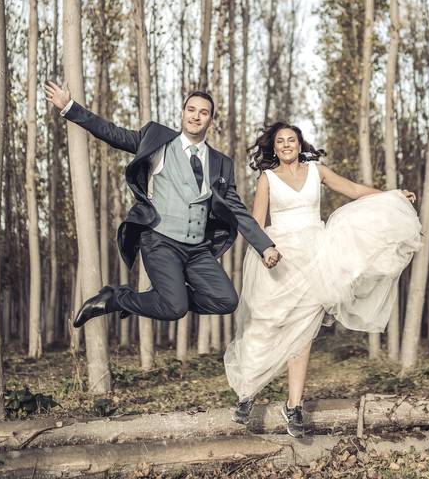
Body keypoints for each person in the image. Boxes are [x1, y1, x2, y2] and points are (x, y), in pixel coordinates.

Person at [224, 122, 422, 438]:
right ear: (274, 148)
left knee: (303, 332)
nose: (286, 144)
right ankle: (247, 394)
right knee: (265, 326)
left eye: (292, 139)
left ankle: (295, 406)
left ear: (300, 144)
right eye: (280, 141)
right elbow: (255, 224)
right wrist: (266, 251)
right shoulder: (268, 179)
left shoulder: (317, 171)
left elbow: (355, 191)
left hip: (316, 258)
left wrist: (392, 195)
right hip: (279, 259)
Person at [44, 81, 281, 326]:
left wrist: (265, 246)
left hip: (197, 249)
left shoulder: (221, 163)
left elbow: (236, 210)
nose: (196, 116)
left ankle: (164, 295)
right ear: (182, 113)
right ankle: (116, 299)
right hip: (160, 241)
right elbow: (112, 133)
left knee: (226, 300)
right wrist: (69, 108)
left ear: (211, 120)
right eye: (191, 110)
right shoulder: (158, 141)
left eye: (203, 113)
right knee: (175, 308)